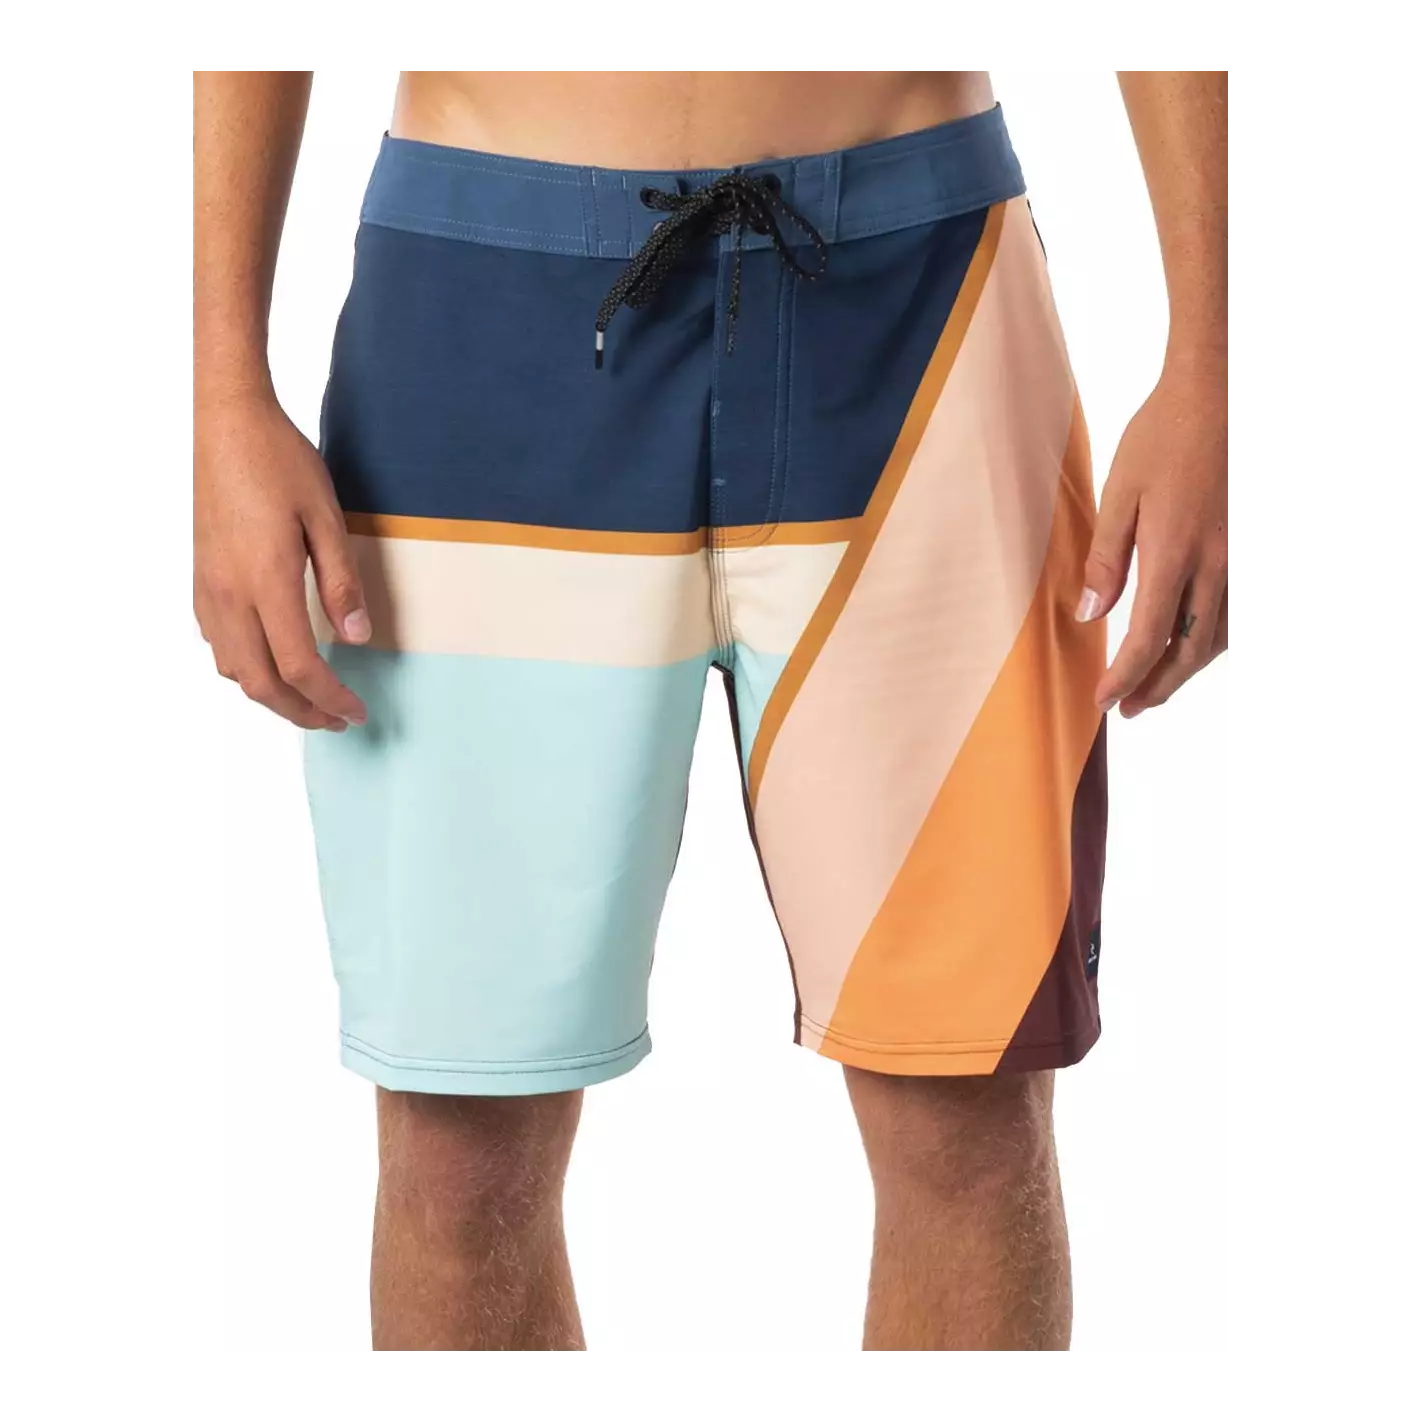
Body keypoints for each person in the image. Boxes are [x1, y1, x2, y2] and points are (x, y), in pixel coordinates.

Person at [191, 64, 1230, 1351]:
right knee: (460, 1146)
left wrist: (1210, 367)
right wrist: (222, 391)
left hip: (925, 310)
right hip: (480, 315)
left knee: (965, 1112)